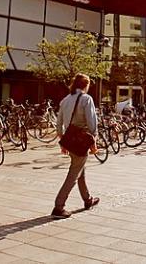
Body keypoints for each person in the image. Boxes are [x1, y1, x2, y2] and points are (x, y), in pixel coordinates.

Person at [52, 73, 100, 219]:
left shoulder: (65, 100)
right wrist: (94, 141)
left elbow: (58, 122)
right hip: (81, 140)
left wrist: (63, 140)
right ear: (85, 85)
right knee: (74, 174)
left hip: (69, 139)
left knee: (80, 170)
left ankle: (87, 200)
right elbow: (92, 122)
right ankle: (58, 207)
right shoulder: (86, 99)